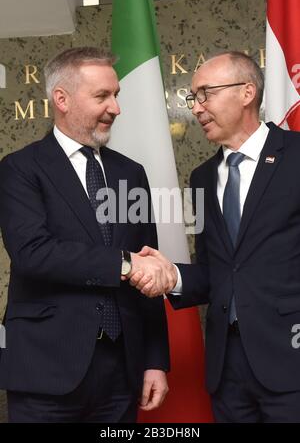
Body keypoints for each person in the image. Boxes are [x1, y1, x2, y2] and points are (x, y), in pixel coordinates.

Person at [0, 47, 172, 423]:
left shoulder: (131, 173)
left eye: (116, 95)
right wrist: (125, 265)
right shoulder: (19, 170)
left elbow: (150, 264)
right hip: (45, 371)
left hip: (121, 374)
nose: (116, 107)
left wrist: (156, 361)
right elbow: (33, 252)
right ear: (61, 99)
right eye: (102, 96)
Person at [131, 51, 300, 423]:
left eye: (206, 93)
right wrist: (173, 277)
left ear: (246, 92)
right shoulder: (203, 177)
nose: (197, 107)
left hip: (291, 360)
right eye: (194, 97)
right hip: (228, 370)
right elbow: (218, 270)